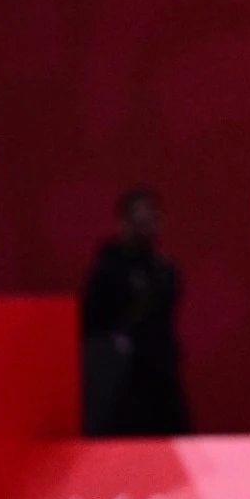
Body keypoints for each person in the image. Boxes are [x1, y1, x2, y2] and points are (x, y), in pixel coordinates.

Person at [80, 187, 191, 438]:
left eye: (151, 220)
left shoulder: (164, 270)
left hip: (159, 374)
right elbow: (93, 320)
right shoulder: (108, 270)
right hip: (121, 381)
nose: (146, 228)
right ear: (124, 224)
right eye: (139, 221)